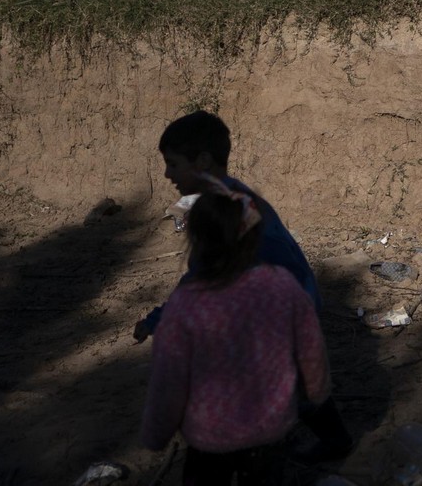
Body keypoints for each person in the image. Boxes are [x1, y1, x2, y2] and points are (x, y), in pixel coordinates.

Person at [136, 110, 353, 463]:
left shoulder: (230, 212)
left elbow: (207, 275)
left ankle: (318, 440)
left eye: (173, 164)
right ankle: (329, 438)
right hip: (283, 302)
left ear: (203, 160)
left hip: (283, 305)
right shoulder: (227, 201)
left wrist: (163, 318)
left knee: (279, 375)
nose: (167, 174)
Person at [141, 178, 330, 485]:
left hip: (208, 438)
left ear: (195, 241)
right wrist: (317, 393)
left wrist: (155, 435)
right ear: (256, 237)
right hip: (270, 430)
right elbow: (311, 352)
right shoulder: (283, 287)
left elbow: (168, 381)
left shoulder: (186, 304)